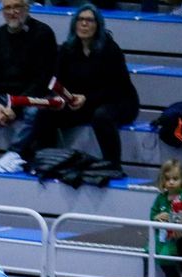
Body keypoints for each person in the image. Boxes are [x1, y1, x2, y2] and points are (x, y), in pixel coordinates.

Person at [34, 4, 139, 168]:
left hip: (118, 100)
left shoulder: (110, 49)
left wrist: (87, 98)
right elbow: (58, 80)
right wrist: (64, 97)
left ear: (98, 25)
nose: (84, 24)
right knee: (46, 113)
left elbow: (117, 87)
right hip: (80, 102)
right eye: (80, 20)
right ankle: (48, 160)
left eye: (89, 20)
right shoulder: (67, 49)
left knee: (102, 116)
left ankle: (112, 164)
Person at [0, 0, 58, 173]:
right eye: (7, 7)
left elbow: (44, 79)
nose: (12, 12)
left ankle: (14, 154)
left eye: (17, 7)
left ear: (27, 8)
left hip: (30, 96)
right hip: (2, 96)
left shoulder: (43, 33)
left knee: (37, 110)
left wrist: (16, 104)